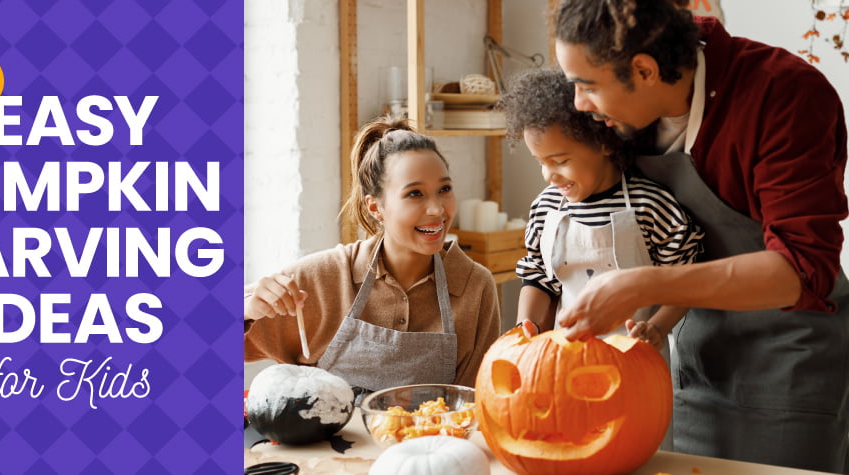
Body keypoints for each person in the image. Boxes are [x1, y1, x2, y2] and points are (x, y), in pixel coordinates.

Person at [552, 0, 849, 471]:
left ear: (646, 70)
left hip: (789, 359)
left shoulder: (784, 94)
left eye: (586, 87)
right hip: (687, 359)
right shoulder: (619, 117)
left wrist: (645, 284)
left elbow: (801, 270)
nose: (579, 105)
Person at [244, 116, 501, 393]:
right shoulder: (326, 277)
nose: (437, 209)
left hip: (433, 437)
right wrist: (245, 312)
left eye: (444, 189)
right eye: (415, 193)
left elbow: (475, 404)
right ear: (375, 207)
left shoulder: (474, 286)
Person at [502, 68, 704, 352]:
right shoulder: (546, 207)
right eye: (540, 162)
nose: (548, 175)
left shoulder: (651, 206)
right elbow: (538, 277)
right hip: (565, 355)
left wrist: (657, 327)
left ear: (604, 144)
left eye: (559, 161)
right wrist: (528, 325)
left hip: (635, 358)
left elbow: (684, 281)